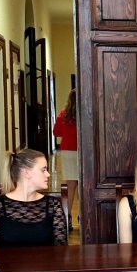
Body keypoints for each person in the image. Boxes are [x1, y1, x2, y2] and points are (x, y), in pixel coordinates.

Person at [52, 89, 78, 229]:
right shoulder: (85, 113)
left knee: (71, 187)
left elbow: (56, 132)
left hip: (68, 151)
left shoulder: (63, 114)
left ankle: (67, 219)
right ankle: (84, 218)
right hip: (84, 151)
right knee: (84, 186)